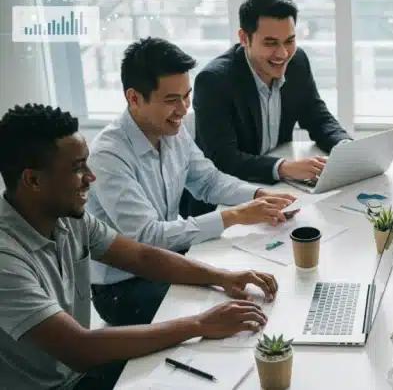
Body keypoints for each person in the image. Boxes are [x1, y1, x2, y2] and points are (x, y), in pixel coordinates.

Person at [0, 104, 278, 390]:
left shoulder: (68, 217)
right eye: (77, 168)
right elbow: (79, 348)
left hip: (81, 375)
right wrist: (199, 324)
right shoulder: (5, 258)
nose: (90, 177)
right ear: (33, 180)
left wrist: (222, 276)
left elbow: (141, 256)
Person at [86, 37, 296, 327]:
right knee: (238, 308)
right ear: (134, 98)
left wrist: (258, 196)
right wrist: (233, 216)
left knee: (257, 282)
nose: (184, 109)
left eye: (186, 96)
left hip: (173, 261)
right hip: (124, 288)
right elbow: (148, 237)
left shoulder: (172, 128)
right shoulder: (107, 156)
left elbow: (208, 181)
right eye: (172, 100)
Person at [189, 0, 352, 211]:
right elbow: (223, 159)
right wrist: (283, 167)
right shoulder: (214, 81)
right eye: (270, 43)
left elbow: (317, 116)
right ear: (244, 38)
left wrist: (345, 149)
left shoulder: (297, 61)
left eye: (289, 40)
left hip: (273, 189)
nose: (283, 54)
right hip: (223, 200)